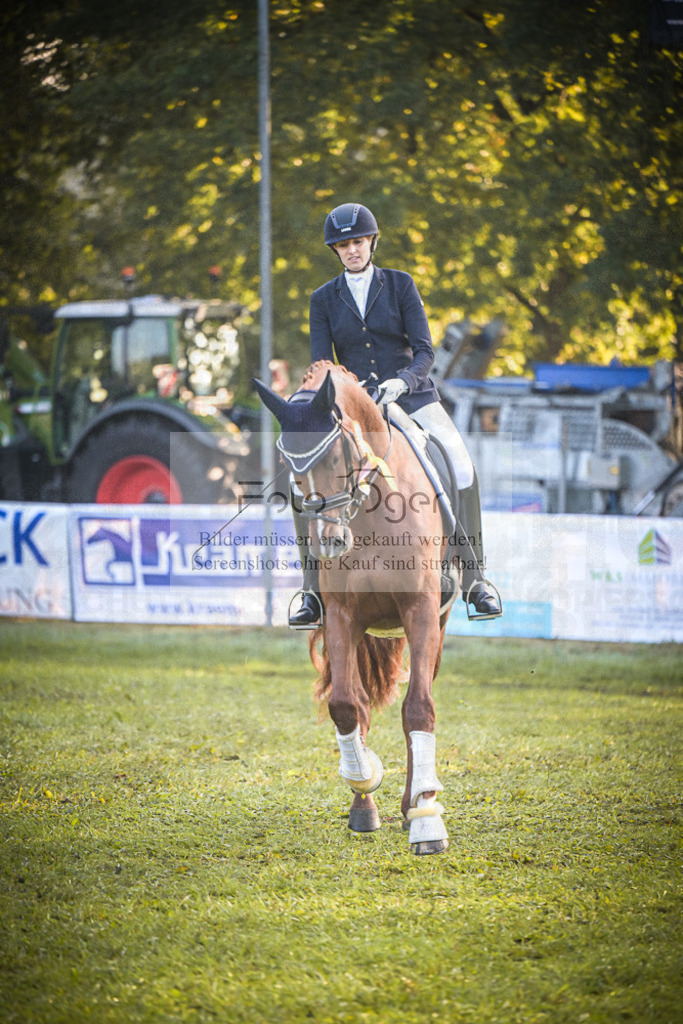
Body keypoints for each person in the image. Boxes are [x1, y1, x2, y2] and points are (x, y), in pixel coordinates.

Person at [289, 201, 501, 627]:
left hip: (412, 397)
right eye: (343, 245)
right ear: (336, 250)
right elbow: (321, 365)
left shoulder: (401, 285)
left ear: (372, 242)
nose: (351, 250)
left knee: (461, 464)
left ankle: (476, 579)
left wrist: (401, 382)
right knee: (305, 476)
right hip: (354, 409)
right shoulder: (322, 300)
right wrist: (346, 398)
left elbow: (424, 350)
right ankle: (312, 591)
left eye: (358, 242)